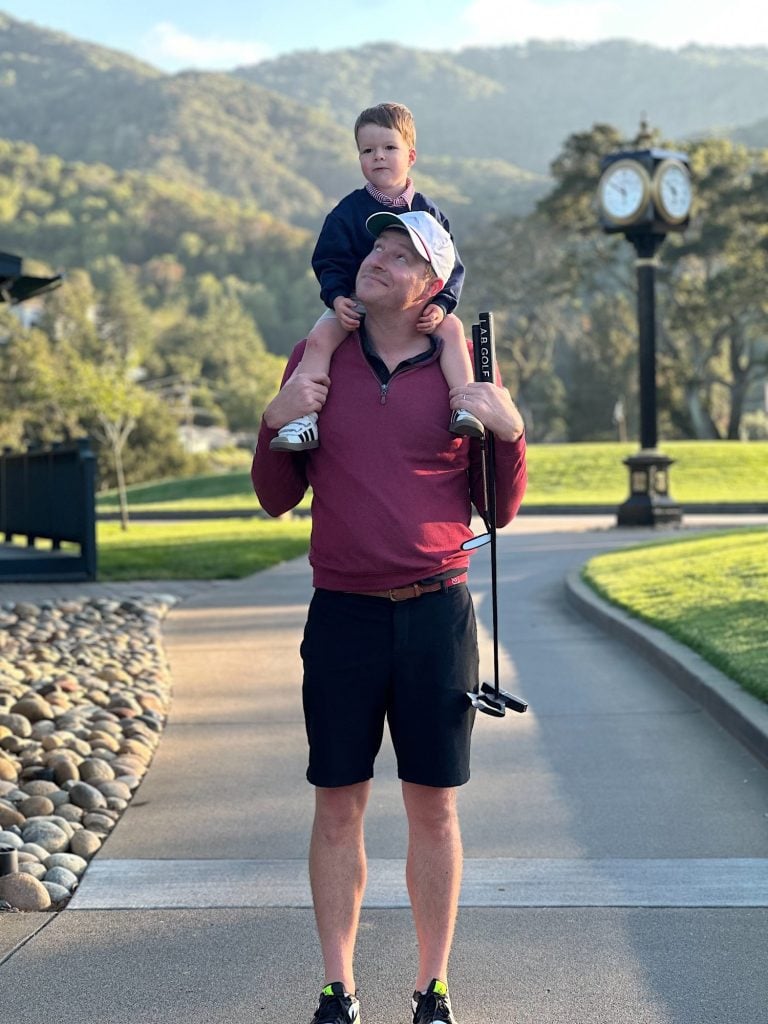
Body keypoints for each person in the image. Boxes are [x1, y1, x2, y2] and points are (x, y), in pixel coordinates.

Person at [251, 210, 527, 1024]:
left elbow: (497, 506)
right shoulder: (314, 354)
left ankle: (431, 988)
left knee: (432, 806)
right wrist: (274, 419)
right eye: (378, 244)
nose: (378, 258)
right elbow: (274, 497)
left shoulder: (464, 363)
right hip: (340, 615)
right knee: (337, 802)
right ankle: (336, 988)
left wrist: (509, 433)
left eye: (402, 252)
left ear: (432, 284)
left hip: (436, 614)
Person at [270, 101, 483, 453]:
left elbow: (451, 266)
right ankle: (302, 420)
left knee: (454, 331)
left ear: (410, 155)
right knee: (320, 337)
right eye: (367, 150)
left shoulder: (428, 212)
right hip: (355, 305)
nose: (378, 157)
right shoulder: (347, 211)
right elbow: (329, 260)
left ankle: (464, 405)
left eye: (389, 148)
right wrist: (337, 298)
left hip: (417, 308)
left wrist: (443, 305)